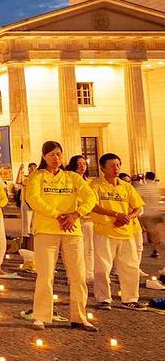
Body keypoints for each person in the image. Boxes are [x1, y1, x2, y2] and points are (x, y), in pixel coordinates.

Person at [25, 141, 97, 331]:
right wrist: (57, 214)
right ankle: (41, 316)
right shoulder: (36, 176)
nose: (55, 159)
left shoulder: (73, 177)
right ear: (43, 157)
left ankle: (79, 317)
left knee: (78, 275)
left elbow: (91, 197)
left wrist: (76, 214)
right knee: (45, 274)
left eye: (58, 154)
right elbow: (33, 199)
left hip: (72, 230)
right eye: (51, 155)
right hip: (46, 229)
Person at [90, 153, 144, 310]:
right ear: (102, 168)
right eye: (112, 165)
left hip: (126, 232)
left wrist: (128, 217)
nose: (116, 168)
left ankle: (130, 298)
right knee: (102, 267)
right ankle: (103, 298)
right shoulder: (95, 186)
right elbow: (92, 205)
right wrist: (115, 214)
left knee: (131, 267)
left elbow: (138, 207)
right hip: (104, 231)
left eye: (118, 165)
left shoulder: (126, 186)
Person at [66, 155, 95, 282]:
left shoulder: (89, 182)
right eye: (79, 164)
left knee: (89, 247)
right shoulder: (68, 179)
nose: (82, 166)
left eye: (84, 163)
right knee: (72, 249)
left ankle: (89, 273)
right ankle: (72, 275)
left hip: (88, 218)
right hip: (73, 218)